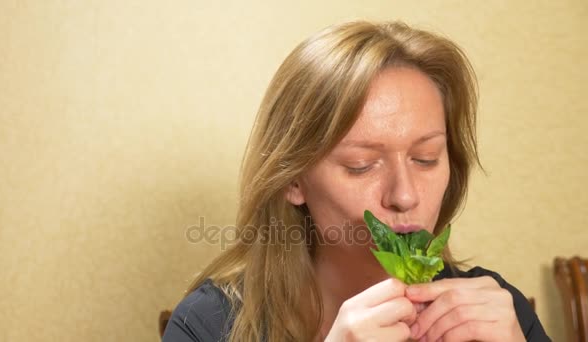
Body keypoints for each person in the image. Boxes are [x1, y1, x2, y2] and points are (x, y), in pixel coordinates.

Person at [163, 20, 551, 341]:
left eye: (425, 159)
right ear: (294, 180)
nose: (404, 195)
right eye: (362, 165)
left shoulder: (499, 311)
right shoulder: (206, 325)